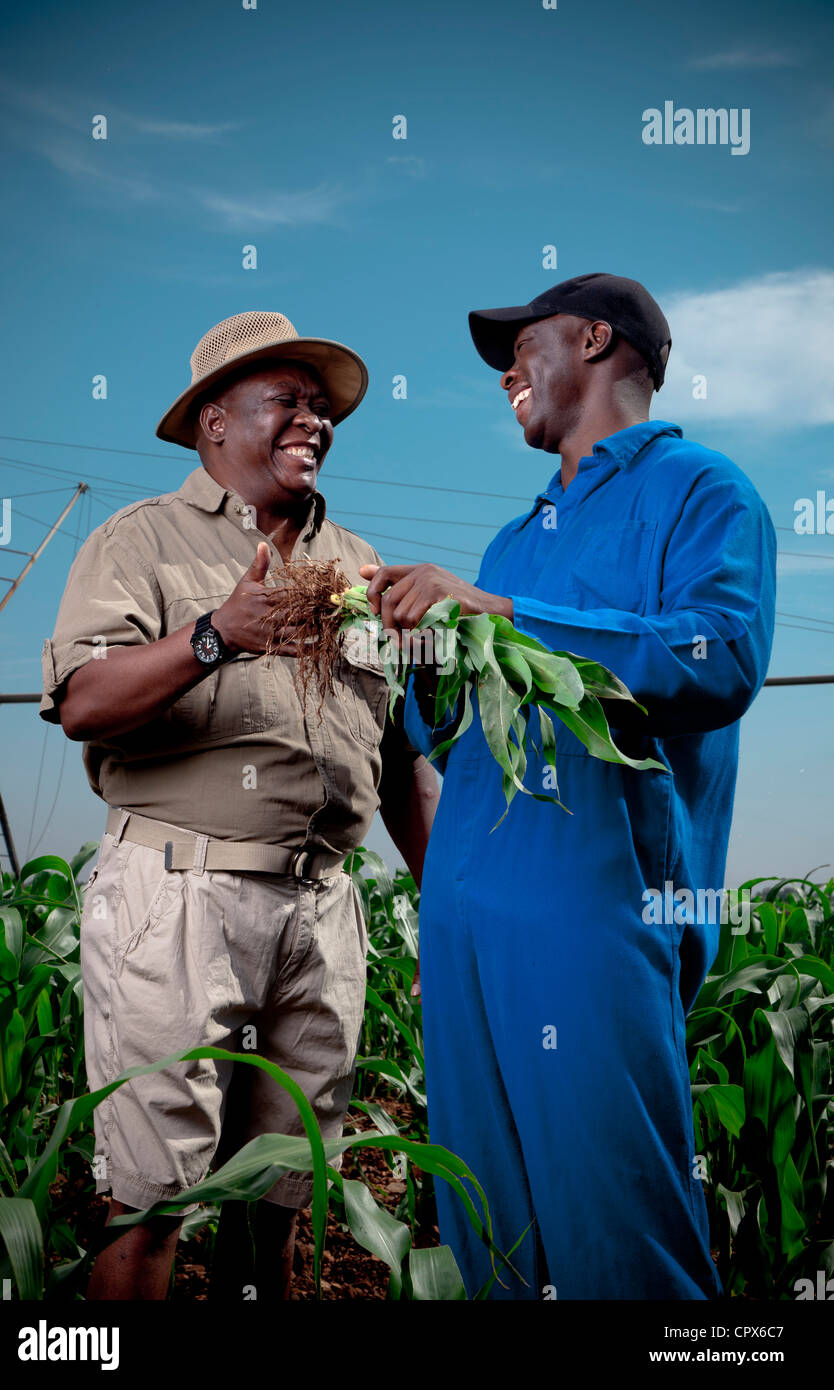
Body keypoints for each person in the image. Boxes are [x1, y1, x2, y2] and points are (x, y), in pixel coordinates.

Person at [360, 272, 776, 1299]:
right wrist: (423, 657)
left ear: (597, 339)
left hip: (593, 917)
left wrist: (493, 611)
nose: (506, 369)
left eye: (522, 342)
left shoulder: (701, 491)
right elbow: (447, 738)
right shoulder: (511, 538)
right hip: (464, 922)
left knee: (615, 1236)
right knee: (486, 1228)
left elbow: (715, 657)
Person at [39, 309, 439, 1300]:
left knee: (286, 1192)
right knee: (150, 1195)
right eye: (286, 402)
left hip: (320, 911)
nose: (313, 421)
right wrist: (215, 634)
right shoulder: (141, 542)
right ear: (214, 421)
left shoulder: (355, 566)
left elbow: (397, 766)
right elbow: (83, 703)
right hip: (178, 897)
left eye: (320, 407)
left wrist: (448, 907)